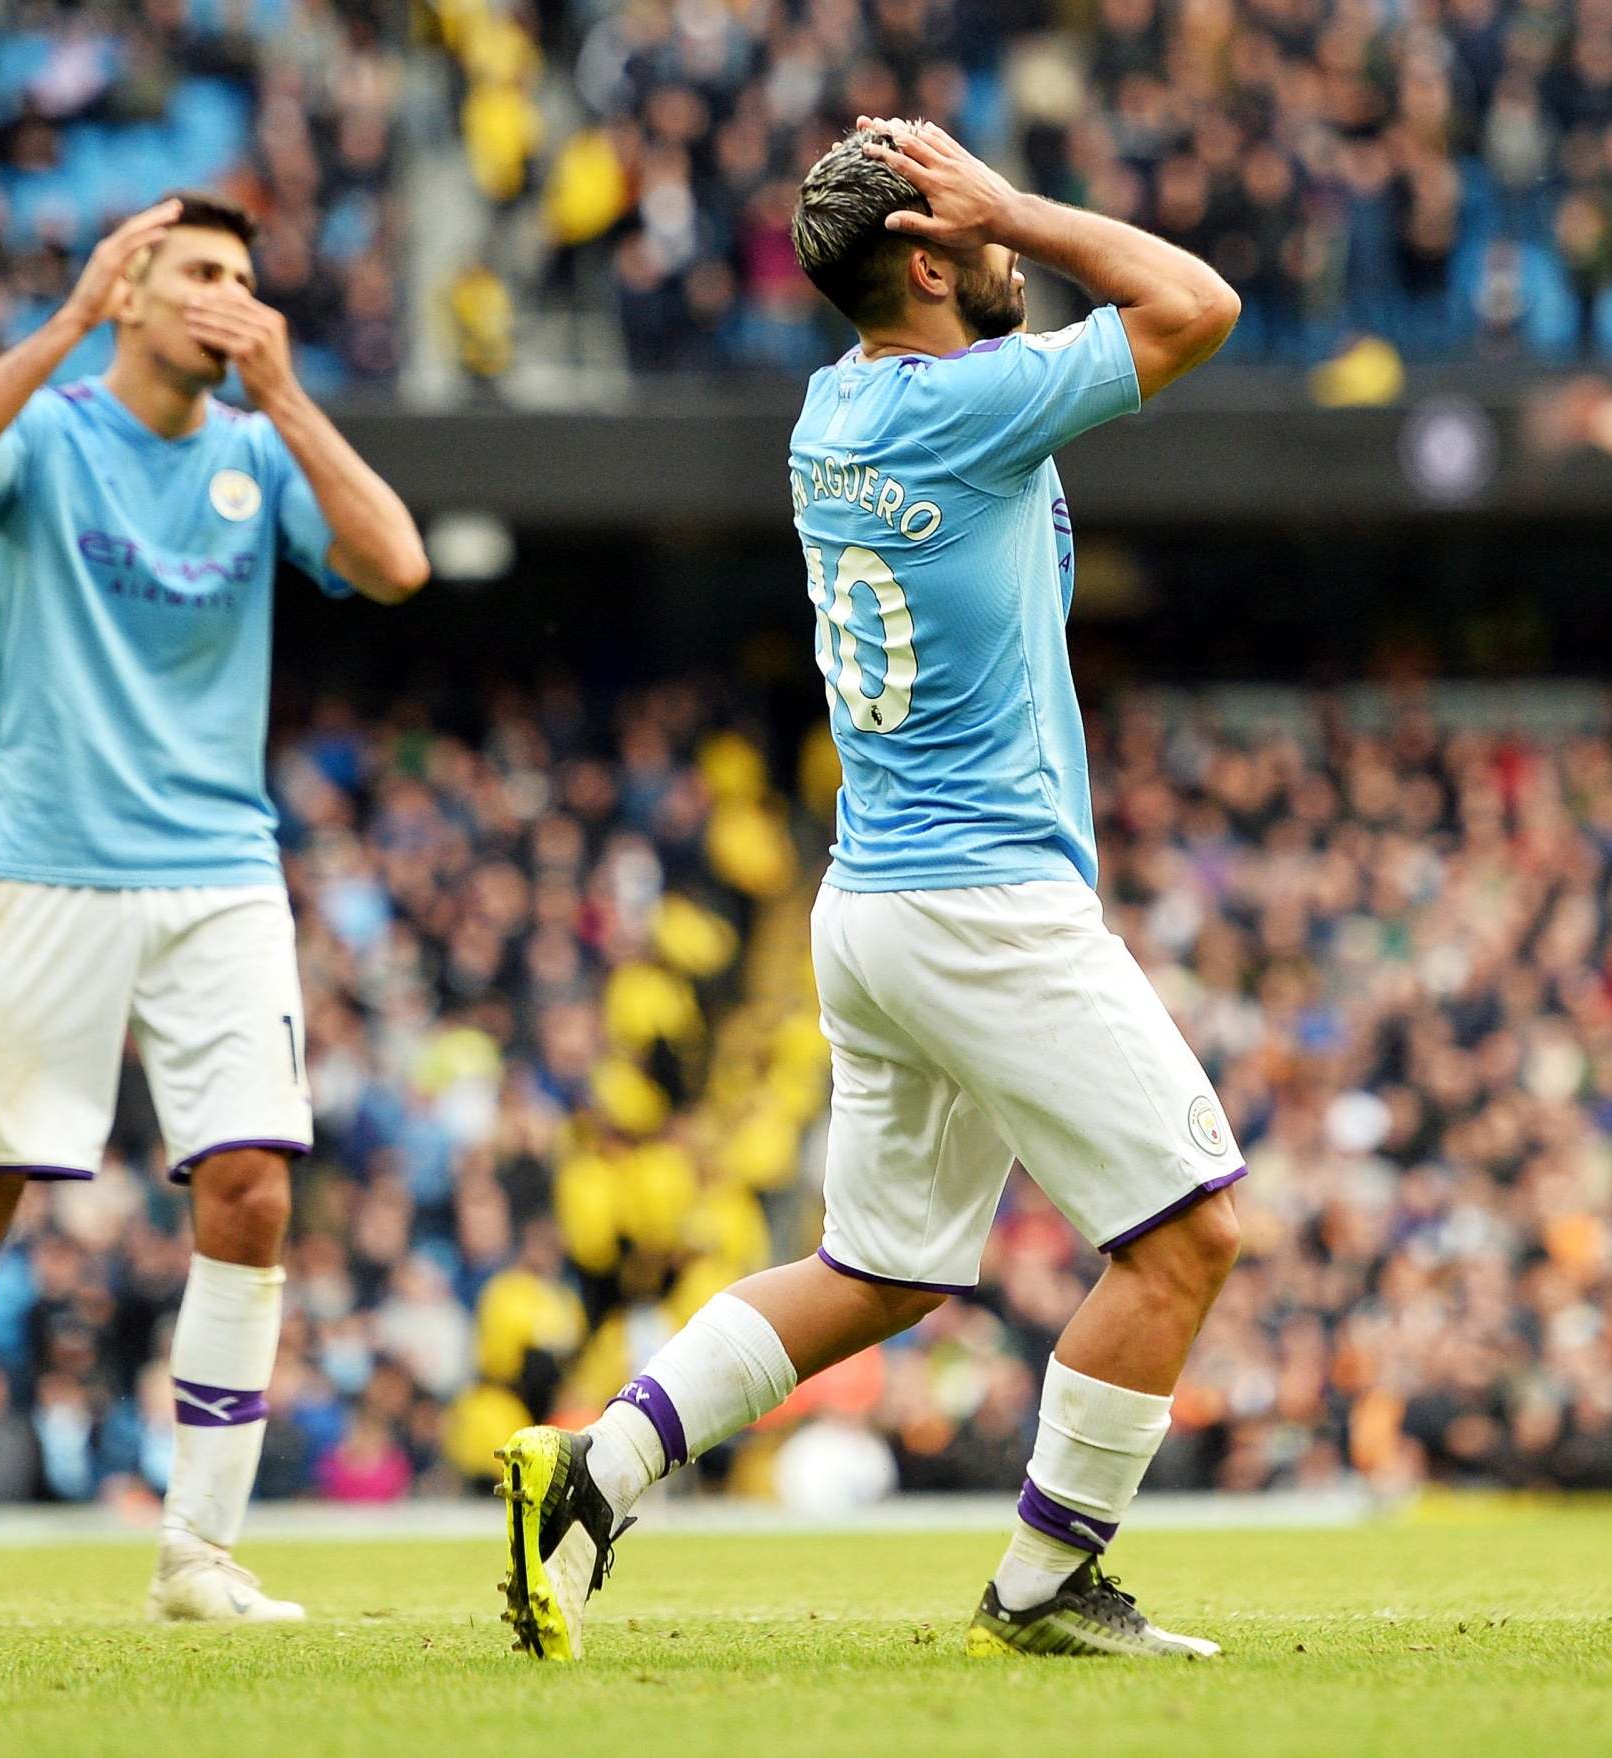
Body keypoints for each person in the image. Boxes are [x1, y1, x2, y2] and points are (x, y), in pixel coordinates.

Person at [495, 119, 1241, 1662]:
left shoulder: (831, 410)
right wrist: (1024, 198)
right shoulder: (968, 404)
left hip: (879, 900)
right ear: (925, 261)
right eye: (971, 228)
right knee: (1189, 1234)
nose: (1006, 249)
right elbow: (1199, 306)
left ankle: (592, 1471)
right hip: (984, 902)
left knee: (877, 1270)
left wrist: (982, 216)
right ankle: (1044, 1587)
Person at [0, 190, 429, 1630]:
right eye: (199, 274)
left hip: (223, 871)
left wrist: (289, 395)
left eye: (247, 275)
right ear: (129, 296)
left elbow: (398, 563)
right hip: (48, 866)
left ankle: (200, 1552)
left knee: (254, 1184)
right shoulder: (49, 431)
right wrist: (57, 322)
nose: (230, 295)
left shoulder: (255, 449)